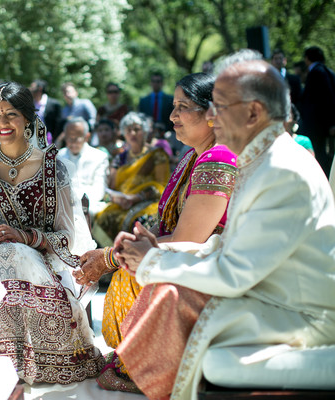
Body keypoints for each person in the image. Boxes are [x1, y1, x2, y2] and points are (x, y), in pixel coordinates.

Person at [113, 49, 335, 400]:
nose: (211, 117)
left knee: (171, 293)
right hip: (270, 295)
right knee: (168, 288)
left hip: (300, 313)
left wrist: (154, 260)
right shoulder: (261, 160)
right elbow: (232, 247)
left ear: (253, 112)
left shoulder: (282, 170)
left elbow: (236, 272)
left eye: (219, 106)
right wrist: (160, 253)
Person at [75, 73, 238, 392]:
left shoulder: (218, 158)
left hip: (209, 267)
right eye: (174, 106)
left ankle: (152, 368)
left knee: (128, 273)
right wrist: (125, 246)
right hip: (190, 259)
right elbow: (166, 226)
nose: (172, 116)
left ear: (211, 114)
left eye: (182, 107)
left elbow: (187, 239)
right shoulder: (193, 157)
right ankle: (141, 360)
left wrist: (111, 257)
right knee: (126, 261)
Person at [0, 81, 104, 385]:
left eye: (10, 114)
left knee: (16, 253)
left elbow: (66, 239)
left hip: (41, 268)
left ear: (28, 119)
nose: (2, 123)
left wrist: (24, 237)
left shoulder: (53, 167)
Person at [92, 112, 170, 248]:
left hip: (149, 202)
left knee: (141, 222)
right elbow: (113, 187)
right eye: (128, 130)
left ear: (145, 131)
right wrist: (118, 198)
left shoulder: (157, 155)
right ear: (123, 134)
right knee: (103, 217)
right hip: (123, 203)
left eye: (137, 129)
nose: (132, 133)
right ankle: (112, 260)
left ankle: (135, 258)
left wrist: (135, 198)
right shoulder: (119, 158)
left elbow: (162, 186)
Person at [57, 117, 109, 218]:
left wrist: (73, 199)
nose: (72, 142)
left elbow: (99, 191)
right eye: (69, 138)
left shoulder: (99, 157)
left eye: (76, 138)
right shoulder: (58, 157)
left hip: (89, 205)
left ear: (87, 137)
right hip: (62, 204)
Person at [299, 46, 335, 175]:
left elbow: (327, 98)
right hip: (323, 123)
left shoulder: (316, 72)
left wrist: (331, 123)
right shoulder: (328, 71)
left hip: (317, 125)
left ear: (307, 58)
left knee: (319, 153)